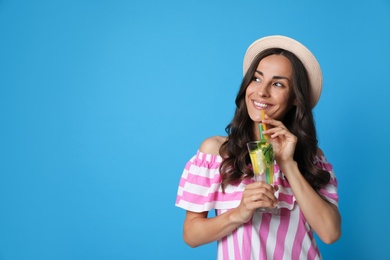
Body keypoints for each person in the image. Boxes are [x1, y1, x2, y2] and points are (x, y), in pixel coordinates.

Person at [175, 35, 341, 259]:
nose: (262, 92)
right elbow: (191, 235)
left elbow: (330, 233)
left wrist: (287, 164)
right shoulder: (216, 152)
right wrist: (239, 213)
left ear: (295, 97)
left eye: (278, 84)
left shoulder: (312, 158)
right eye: (256, 78)